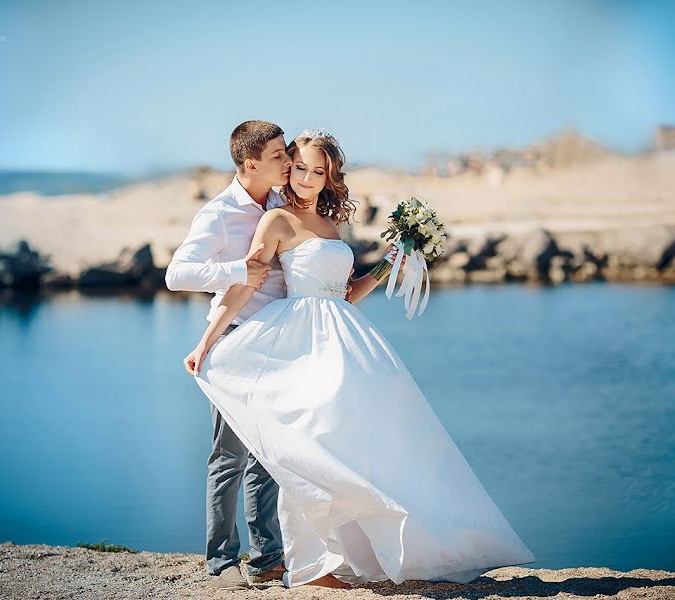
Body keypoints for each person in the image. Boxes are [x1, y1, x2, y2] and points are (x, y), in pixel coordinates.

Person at [184, 128, 535, 589]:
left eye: (318, 171)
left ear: (330, 176)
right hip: (298, 338)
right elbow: (245, 283)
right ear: (287, 167)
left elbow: (346, 293)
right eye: (301, 168)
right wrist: (206, 340)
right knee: (306, 441)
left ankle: (335, 552)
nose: (307, 178)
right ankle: (301, 563)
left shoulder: (332, 227)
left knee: (363, 438)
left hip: (342, 338)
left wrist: (390, 264)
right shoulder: (275, 220)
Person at [164, 120, 293, 590]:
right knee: (230, 455)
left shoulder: (283, 202)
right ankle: (221, 561)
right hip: (235, 339)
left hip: (283, 342)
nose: (288, 160)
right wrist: (241, 269)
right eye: (279, 155)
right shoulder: (218, 213)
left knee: (269, 454)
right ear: (250, 163)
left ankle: (267, 558)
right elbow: (176, 275)